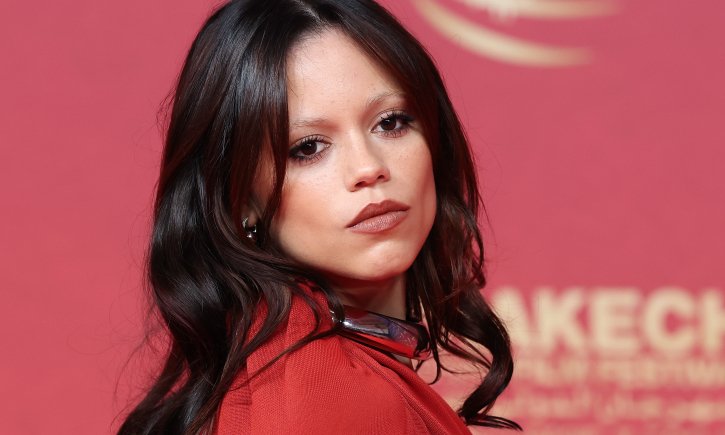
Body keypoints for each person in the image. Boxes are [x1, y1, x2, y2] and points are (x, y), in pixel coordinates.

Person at [119, 0, 520, 433]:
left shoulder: (290, 367)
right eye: (308, 147)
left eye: (390, 123)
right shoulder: (332, 396)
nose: (368, 167)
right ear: (242, 201)